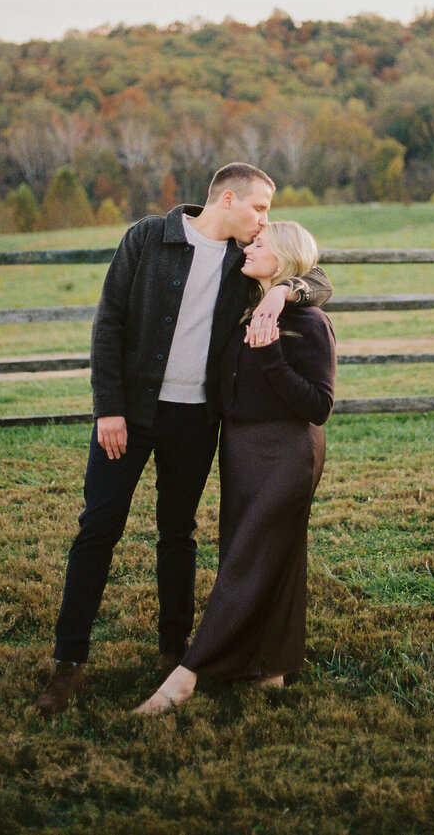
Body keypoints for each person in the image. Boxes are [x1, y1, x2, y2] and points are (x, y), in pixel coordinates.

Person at [36, 164, 332, 717]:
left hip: (196, 420)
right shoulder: (149, 237)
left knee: (178, 535)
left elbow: (319, 277)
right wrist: (110, 409)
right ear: (228, 198)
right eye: (260, 208)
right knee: (98, 529)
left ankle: (172, 652)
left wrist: (284, 294)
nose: (265, 221)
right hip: (129, 416)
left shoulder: (245, 265)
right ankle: (67, 665)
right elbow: (109, 325)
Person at [133, 219, 336, 714]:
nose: (250, 246)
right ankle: (270, 666)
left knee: (247, 561)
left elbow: (318, 405)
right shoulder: (247, 309)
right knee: (269, 558)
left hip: (286, 452)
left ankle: (187, 674)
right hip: (241, 451)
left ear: (284, 259)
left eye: (260, 244)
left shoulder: (309, 323)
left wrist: (270, 355)